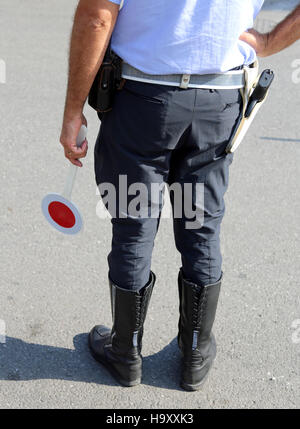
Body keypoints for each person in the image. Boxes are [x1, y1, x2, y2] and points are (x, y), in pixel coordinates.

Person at [59, 0, 300, 391]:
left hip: (142, 102)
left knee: (134, 225)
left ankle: (125, 353)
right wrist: (270, 40)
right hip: (219, 100)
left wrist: (73, 112)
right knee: (200, 226)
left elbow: (97, 15)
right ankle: (194, 356)